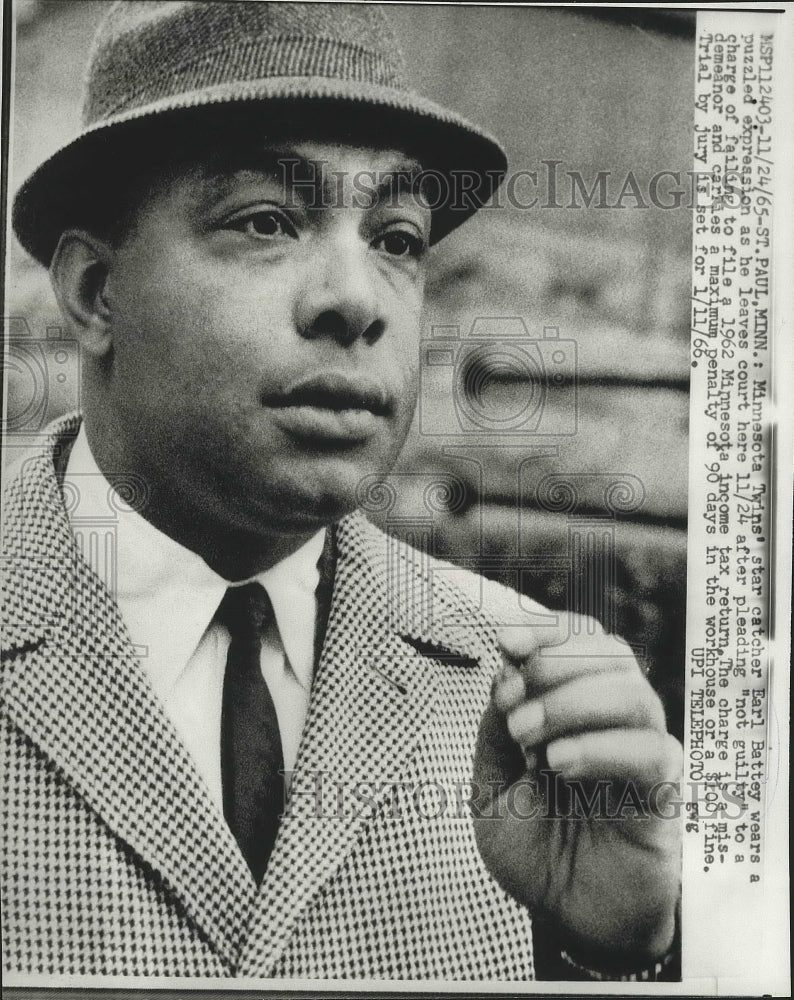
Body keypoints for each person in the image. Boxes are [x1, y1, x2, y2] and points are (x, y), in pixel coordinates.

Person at [2, 0, 681, 981]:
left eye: (396, 237)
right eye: (267, 220)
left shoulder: (518, 688)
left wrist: (614, 951)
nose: (356, 300)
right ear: (98, 291)